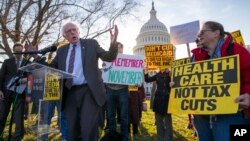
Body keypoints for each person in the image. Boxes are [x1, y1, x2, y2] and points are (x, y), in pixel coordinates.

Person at [27, 21, 119, 141]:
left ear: (78, 32)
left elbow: (109, 57)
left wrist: (113, 44)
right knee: (72, 129)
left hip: (89, 91)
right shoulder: (61, 50)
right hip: (69, 92)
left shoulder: (91, 44)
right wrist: (36, 57)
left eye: (74, 30)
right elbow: (52, 69)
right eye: (68, 31)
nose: (72, 32)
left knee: (88, 127)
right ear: (65, 36)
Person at [191, 21, 250, 141]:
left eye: (202, 32)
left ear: (216, 33)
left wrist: (248, 95)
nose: (199, 35)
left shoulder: (237, 50)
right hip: (202, 117)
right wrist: (176, 85)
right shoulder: (196, 56)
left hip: (232, 114)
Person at [0, 42, 28, 141]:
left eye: (20, 51)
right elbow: (1, 77)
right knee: (2, 115)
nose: (18, 53)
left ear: (23, 51)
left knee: (18, 118)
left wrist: (27, 79)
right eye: (16, 52)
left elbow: (31, 76)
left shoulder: (27, 62)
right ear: (13, 51)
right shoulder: (7, 62)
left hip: (20, 94)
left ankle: (17, 138)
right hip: (5, 94)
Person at [106, 42, 129, 141]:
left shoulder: (128, 60)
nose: (118, 49)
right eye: (116, 47)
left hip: (123, 90)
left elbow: (132, 74)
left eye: (120, 47)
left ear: (122, 49)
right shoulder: (107, 59)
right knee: (111, 115)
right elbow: (104, 72)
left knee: (124, 116)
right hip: (110, 89)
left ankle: (125, 137)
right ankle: (112, 135)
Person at [144, 68, 173, 141]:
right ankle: (160, 138)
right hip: (158, 100)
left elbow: (177, 82)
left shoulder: (170, 74)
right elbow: (147, 80)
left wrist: (173, 83)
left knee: (168, 122)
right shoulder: (157, 75)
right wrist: (146, 72)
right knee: (159, 122)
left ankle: (168, 138)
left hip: (167, 100)